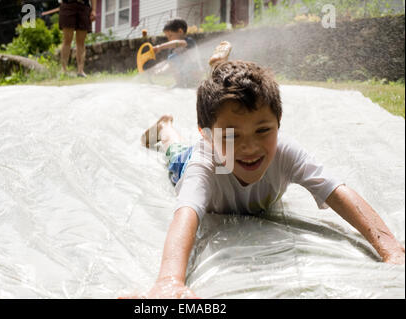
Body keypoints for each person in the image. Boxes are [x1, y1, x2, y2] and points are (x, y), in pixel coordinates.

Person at [125, 42, 405, 299]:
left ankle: (218, 76)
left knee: (227, 124)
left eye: (263, 130)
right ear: (209, 136)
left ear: (279, 123)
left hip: (217, 146)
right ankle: (166, 129)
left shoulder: (284, 151)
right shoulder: (205, 163)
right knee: (175, 153)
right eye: (232, 135)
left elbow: (337, 191)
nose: (250, 147)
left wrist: (392, 250)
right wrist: (169, 280)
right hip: (193, 159)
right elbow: (185, 215)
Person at [151, 18, 204, 88]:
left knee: (174, 57)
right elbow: (170, 63)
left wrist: (160, 47)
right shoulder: (172, 49)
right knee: (171, 58)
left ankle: (190, 84)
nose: (169, 39)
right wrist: (160, 70)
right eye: (167, 37)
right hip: (182, 80)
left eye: (170, 35)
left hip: (195, 79)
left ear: (180, 31)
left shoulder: (189, 42)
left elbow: (178, 43)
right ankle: (180, 84)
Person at [59, 0, 96, 77]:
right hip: (68, 5)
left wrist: (94, 10)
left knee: (81, 42)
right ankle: (63, 70)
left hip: (83, 6)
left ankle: (80, 71)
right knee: (67, 40)